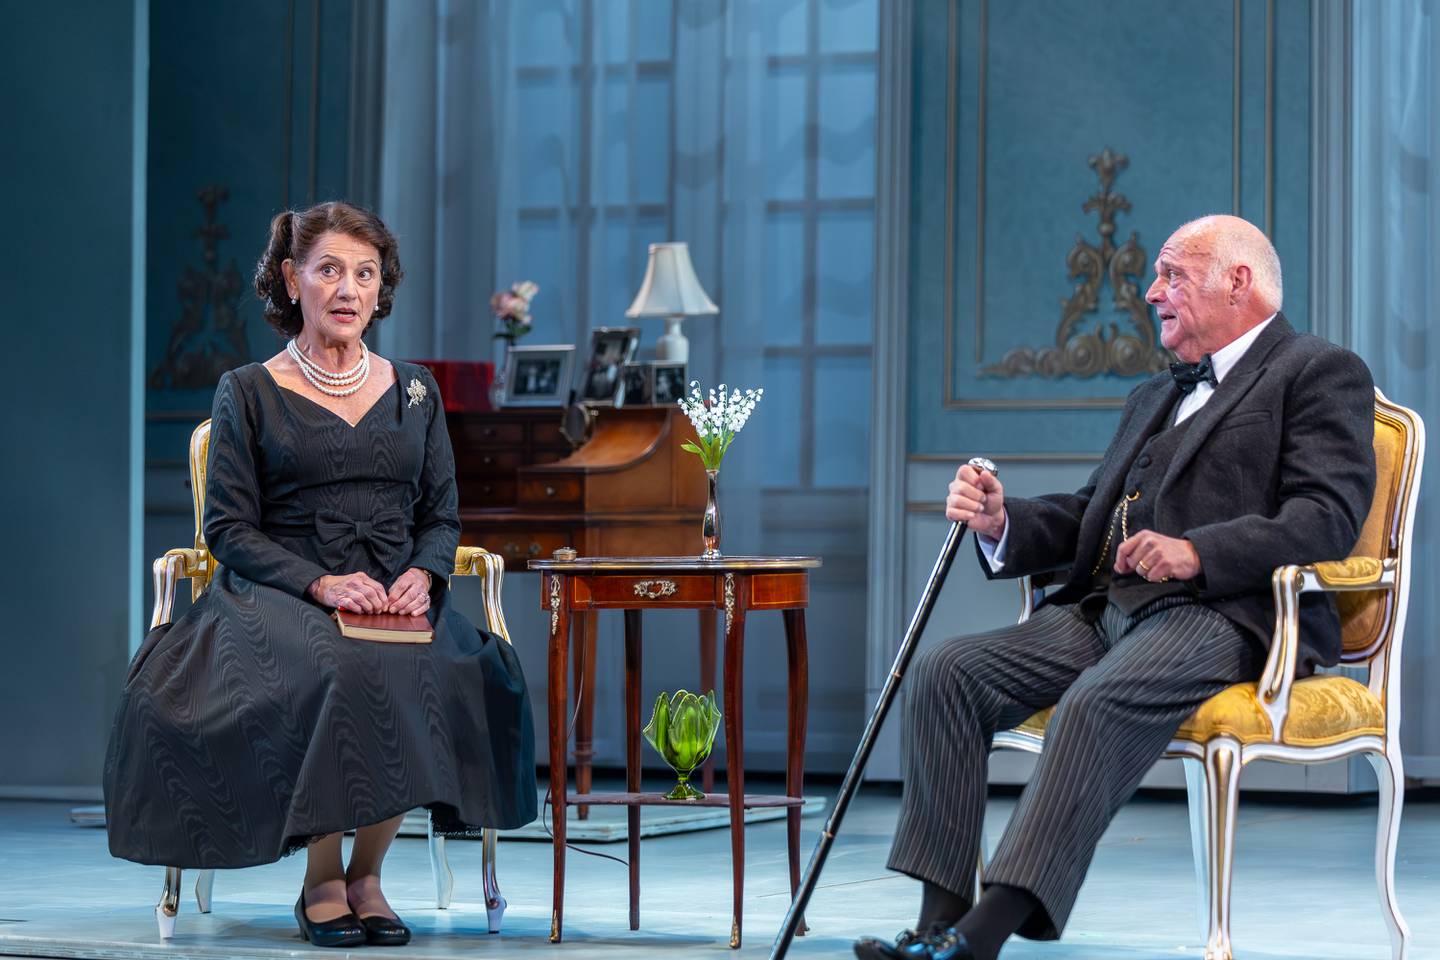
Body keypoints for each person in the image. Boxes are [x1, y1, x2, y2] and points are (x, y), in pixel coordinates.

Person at [854, 215, 1376, 960]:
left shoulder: (1316, 369)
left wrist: (1197, 552)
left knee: (1096, 702)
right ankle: (938, 922)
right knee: (948, 672)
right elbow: (1091, 514)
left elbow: (1327, 518)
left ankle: (976, 942)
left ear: (1240, 281)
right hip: (1106, 611)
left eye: (1173, 275)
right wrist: (1004, 521)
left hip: (1220, 615)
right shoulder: (1154, 394)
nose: (1152, 291)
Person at [104, 201, 538, 948]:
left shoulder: (417, 392)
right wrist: (321, 584)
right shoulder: (247, 390)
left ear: (380, 288)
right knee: (338, 662)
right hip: (276, 593)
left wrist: (424, 577)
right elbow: (228, 530)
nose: (348, 289)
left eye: (364, 274)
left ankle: (369, 876)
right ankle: (323, 880)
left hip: (391, 595)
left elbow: (441, 516)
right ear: (291, 279)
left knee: (441, 664)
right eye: (330, 270)